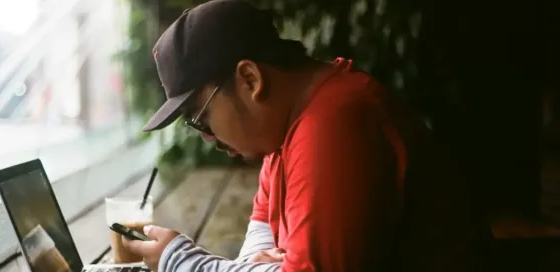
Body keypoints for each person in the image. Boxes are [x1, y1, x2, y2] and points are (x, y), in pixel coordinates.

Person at [122, 0, 484, 271]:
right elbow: (261, 228)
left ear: (250, 79)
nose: (206, 138)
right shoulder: (281, 137)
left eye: (199, 118)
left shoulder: (336, 124)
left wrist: (181, 262)